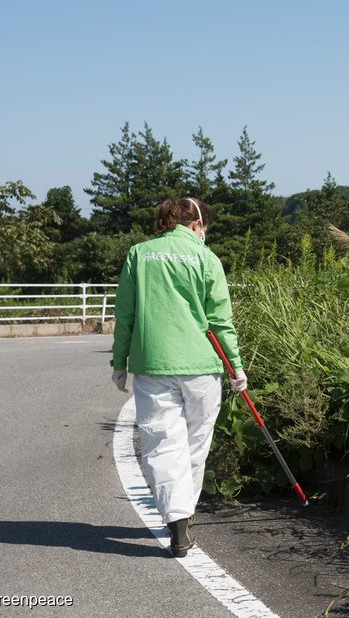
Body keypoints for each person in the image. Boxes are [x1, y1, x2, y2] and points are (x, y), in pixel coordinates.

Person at [109, 197, 247, 558]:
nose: (206, 232)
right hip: (202, 366)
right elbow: (220, 320)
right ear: (195, 224)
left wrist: (119, 361)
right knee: (195, 445)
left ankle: (177, 522)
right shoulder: (207, 258)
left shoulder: (139, 255)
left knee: (161, 443)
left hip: (152, 364)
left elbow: (125, 312)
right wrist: (236, 366)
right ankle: (184, 517)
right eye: (205, 226)